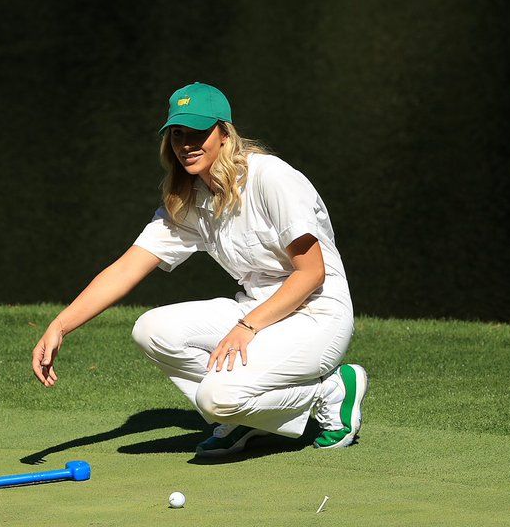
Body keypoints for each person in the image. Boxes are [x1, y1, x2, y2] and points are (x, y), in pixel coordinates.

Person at [32, 82, 368, 456]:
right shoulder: (189, 197)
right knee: (151, 330)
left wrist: (246, 327)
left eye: (198, 133)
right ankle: (242, 416)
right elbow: (127, 267)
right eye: (178, 134)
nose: (186, 144)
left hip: (317, 314)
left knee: (214, 397)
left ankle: (330, 390)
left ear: (224, 134)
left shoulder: (271, 177)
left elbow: (311, 273)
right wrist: (60, 325)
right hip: (256, 308)